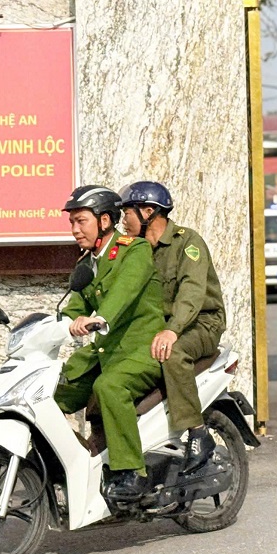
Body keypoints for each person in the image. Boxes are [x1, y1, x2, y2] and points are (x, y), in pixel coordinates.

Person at [55, 185, 165, 502]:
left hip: (141, 351)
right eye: (72, 222)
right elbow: (72, 308)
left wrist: (100, 317)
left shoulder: (134, 250)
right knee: (54, 392)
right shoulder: (87, 264)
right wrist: (52, 324)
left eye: (81, 221)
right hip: (106, 353)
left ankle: (133, 473)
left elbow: (124, 292)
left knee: (109, 388)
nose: (75, 229)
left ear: (104, 220)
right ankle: (69, 466)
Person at [119, 181, 226, 474]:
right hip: (164, 327)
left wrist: (172, 330)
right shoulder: (137, 249)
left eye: (127, 212)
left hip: (202, 323)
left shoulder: (187, 242)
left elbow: (191, 294)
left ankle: (198, 432)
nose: (123, 221)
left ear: (149, 212)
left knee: (173, 353)